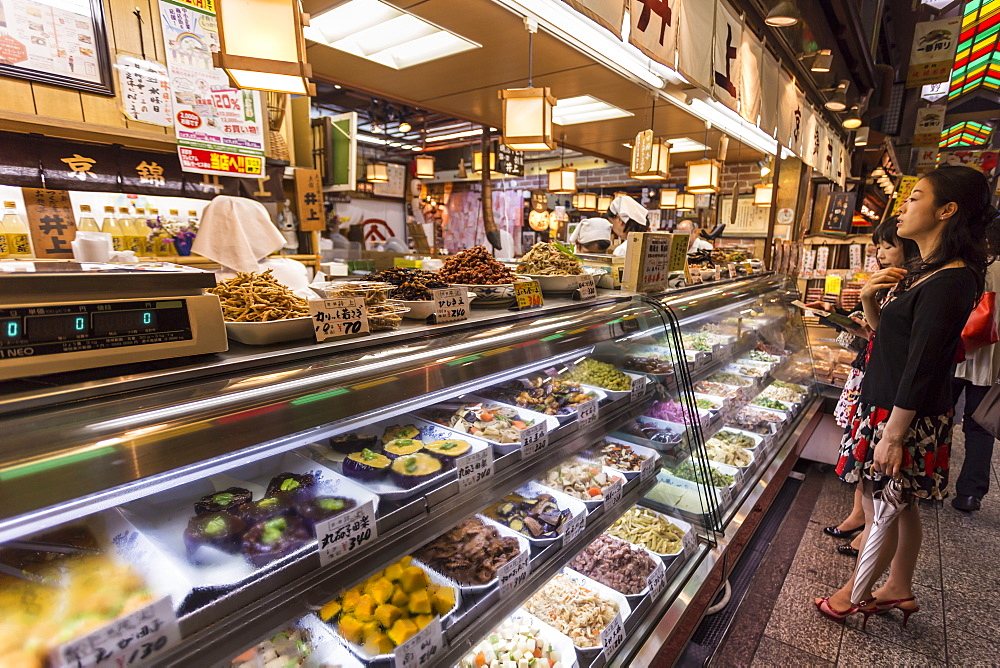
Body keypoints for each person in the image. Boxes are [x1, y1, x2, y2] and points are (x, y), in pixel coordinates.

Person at [815, 166, 992, 626]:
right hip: (891, 405)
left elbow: (924, 364)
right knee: (902, 502)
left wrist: (893, 434)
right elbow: (891, 345)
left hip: (904, 415)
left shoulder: (952, 280)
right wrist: (872, 298)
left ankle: (848, 597)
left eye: (915, 198)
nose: (904, 207)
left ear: (946, 211)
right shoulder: (924, 272)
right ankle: (899, 587)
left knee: (880, 506)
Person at [812, 219, 920, 559]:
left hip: (885, 391)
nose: (881, 253)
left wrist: (864, 307)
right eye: (879, 246)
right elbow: (878, 334)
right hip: (870, 382)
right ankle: (859, 517)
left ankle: (866, 534)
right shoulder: (894, 287)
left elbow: (889, 342)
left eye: (889, 246)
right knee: (865, 470)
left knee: (879, 479)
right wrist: (846, 315)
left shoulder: (918, 286)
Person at [950, 217, 1000, 512]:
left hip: (959, 351)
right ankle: (970, 493)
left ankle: (930, 477)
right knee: (979, 425)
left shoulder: (974, 267)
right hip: (992, 359)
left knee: (940, 415)